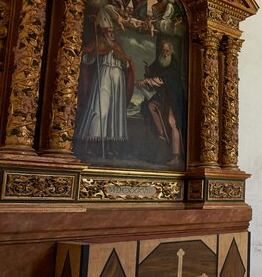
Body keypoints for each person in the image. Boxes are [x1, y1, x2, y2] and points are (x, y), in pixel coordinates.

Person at [75, 12, 135, 158]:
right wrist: (93, 54)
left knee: (115, 112)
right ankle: (91, 145)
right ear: (104, 33)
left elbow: (126, 63)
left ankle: (111, 147)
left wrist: (125, 60)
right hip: (102, 78)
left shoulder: (117, 46)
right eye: (110, 33)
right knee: (99, 109)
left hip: (117, 80)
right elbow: (85, 59)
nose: (112, 35)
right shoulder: (98, 43)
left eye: (113, 33)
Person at [138, 41, 185, 165]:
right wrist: (148, 73)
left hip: (174, 98)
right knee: (151, 105)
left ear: (171, 52)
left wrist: (147, 81)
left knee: (172, 122)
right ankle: (162, 133)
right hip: (164, 96)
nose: (164, 53)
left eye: (167, 51)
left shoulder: (173, 64)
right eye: (163, 50)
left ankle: (176, 156)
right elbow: (154, 72)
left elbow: (162, 80)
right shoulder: (159, 62)